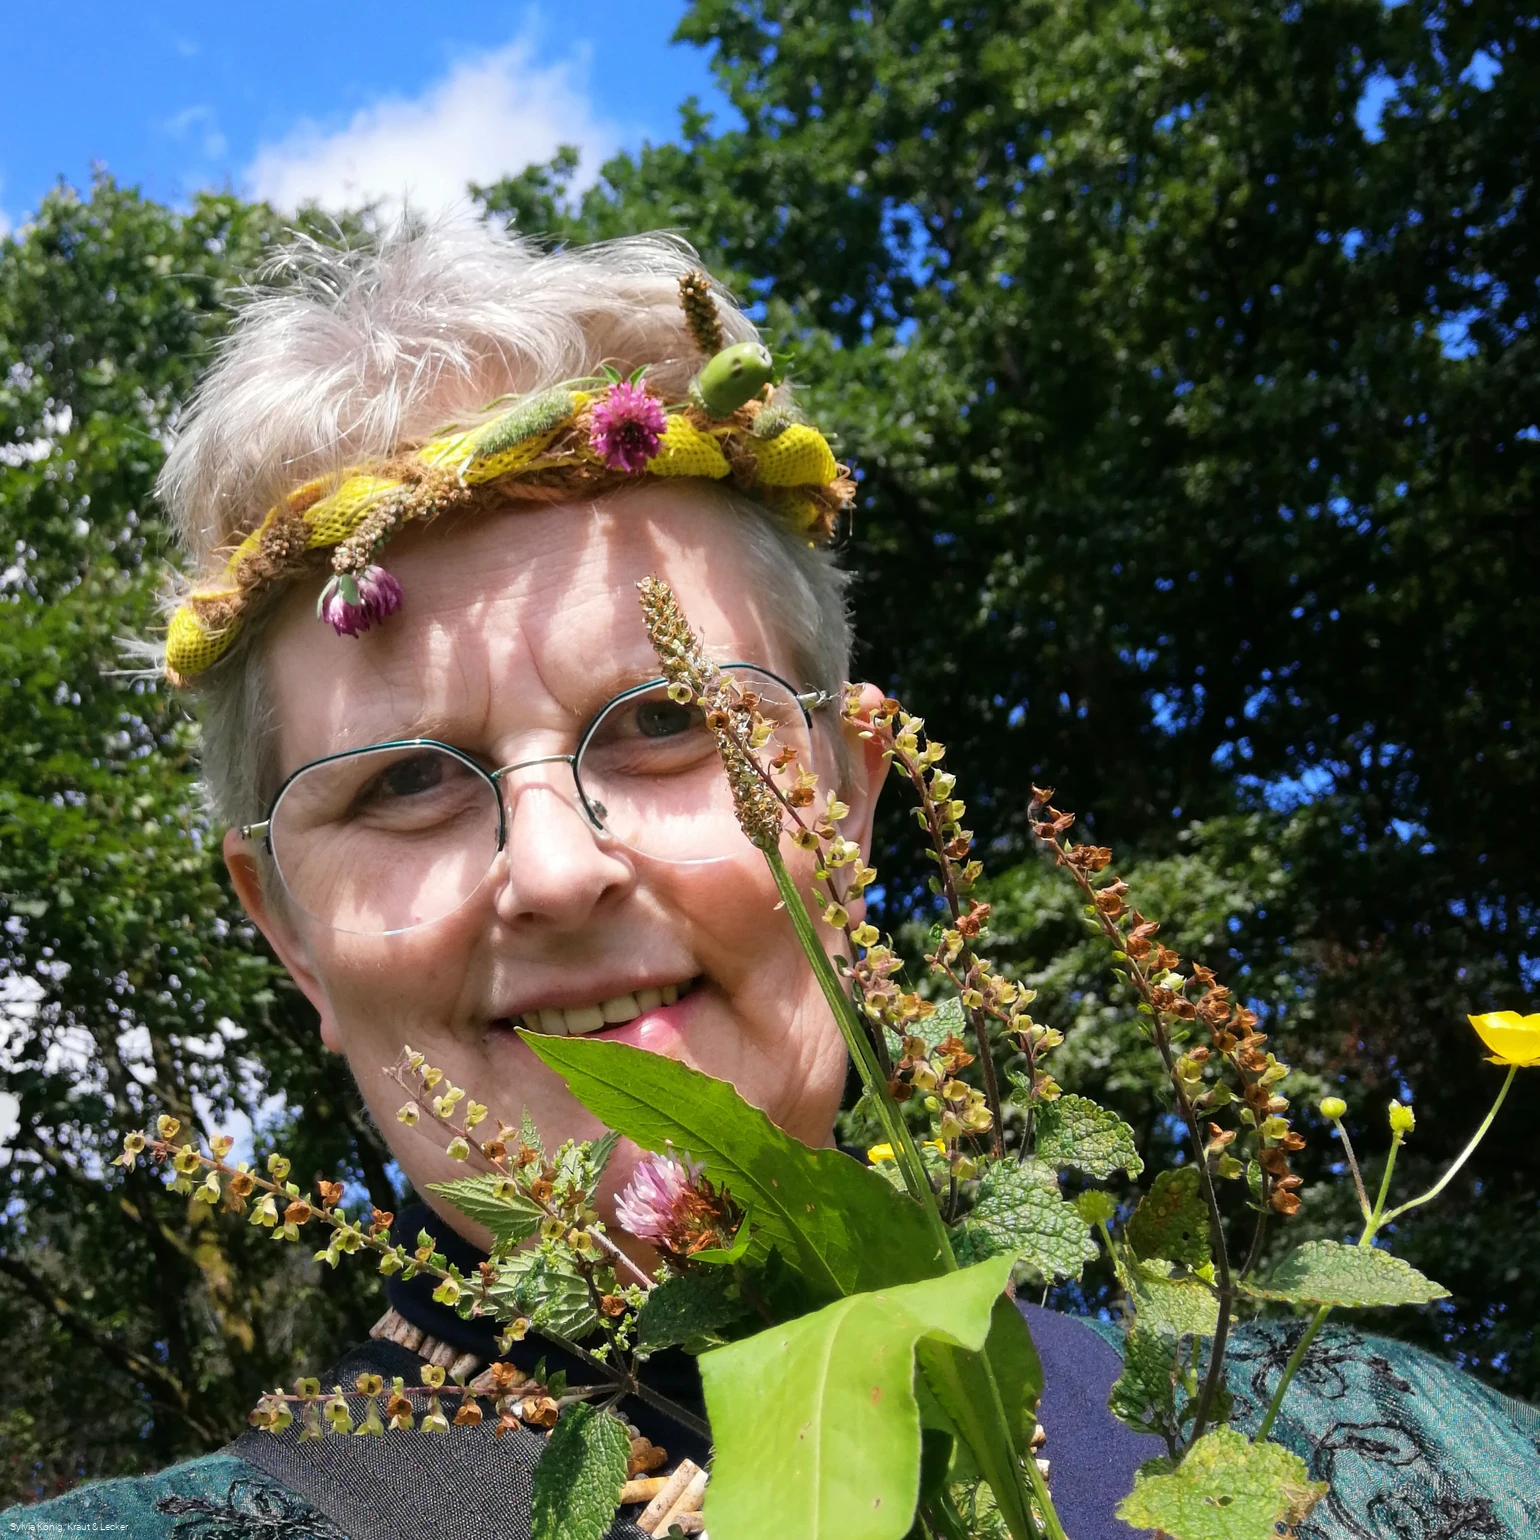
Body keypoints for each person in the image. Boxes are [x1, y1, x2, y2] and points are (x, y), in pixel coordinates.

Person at [4, 221, 1536, 1540]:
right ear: (288, 933)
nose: (553, 869)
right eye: (405, 781)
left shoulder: (1401, 1468)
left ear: (855, 805)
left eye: (670, 720)